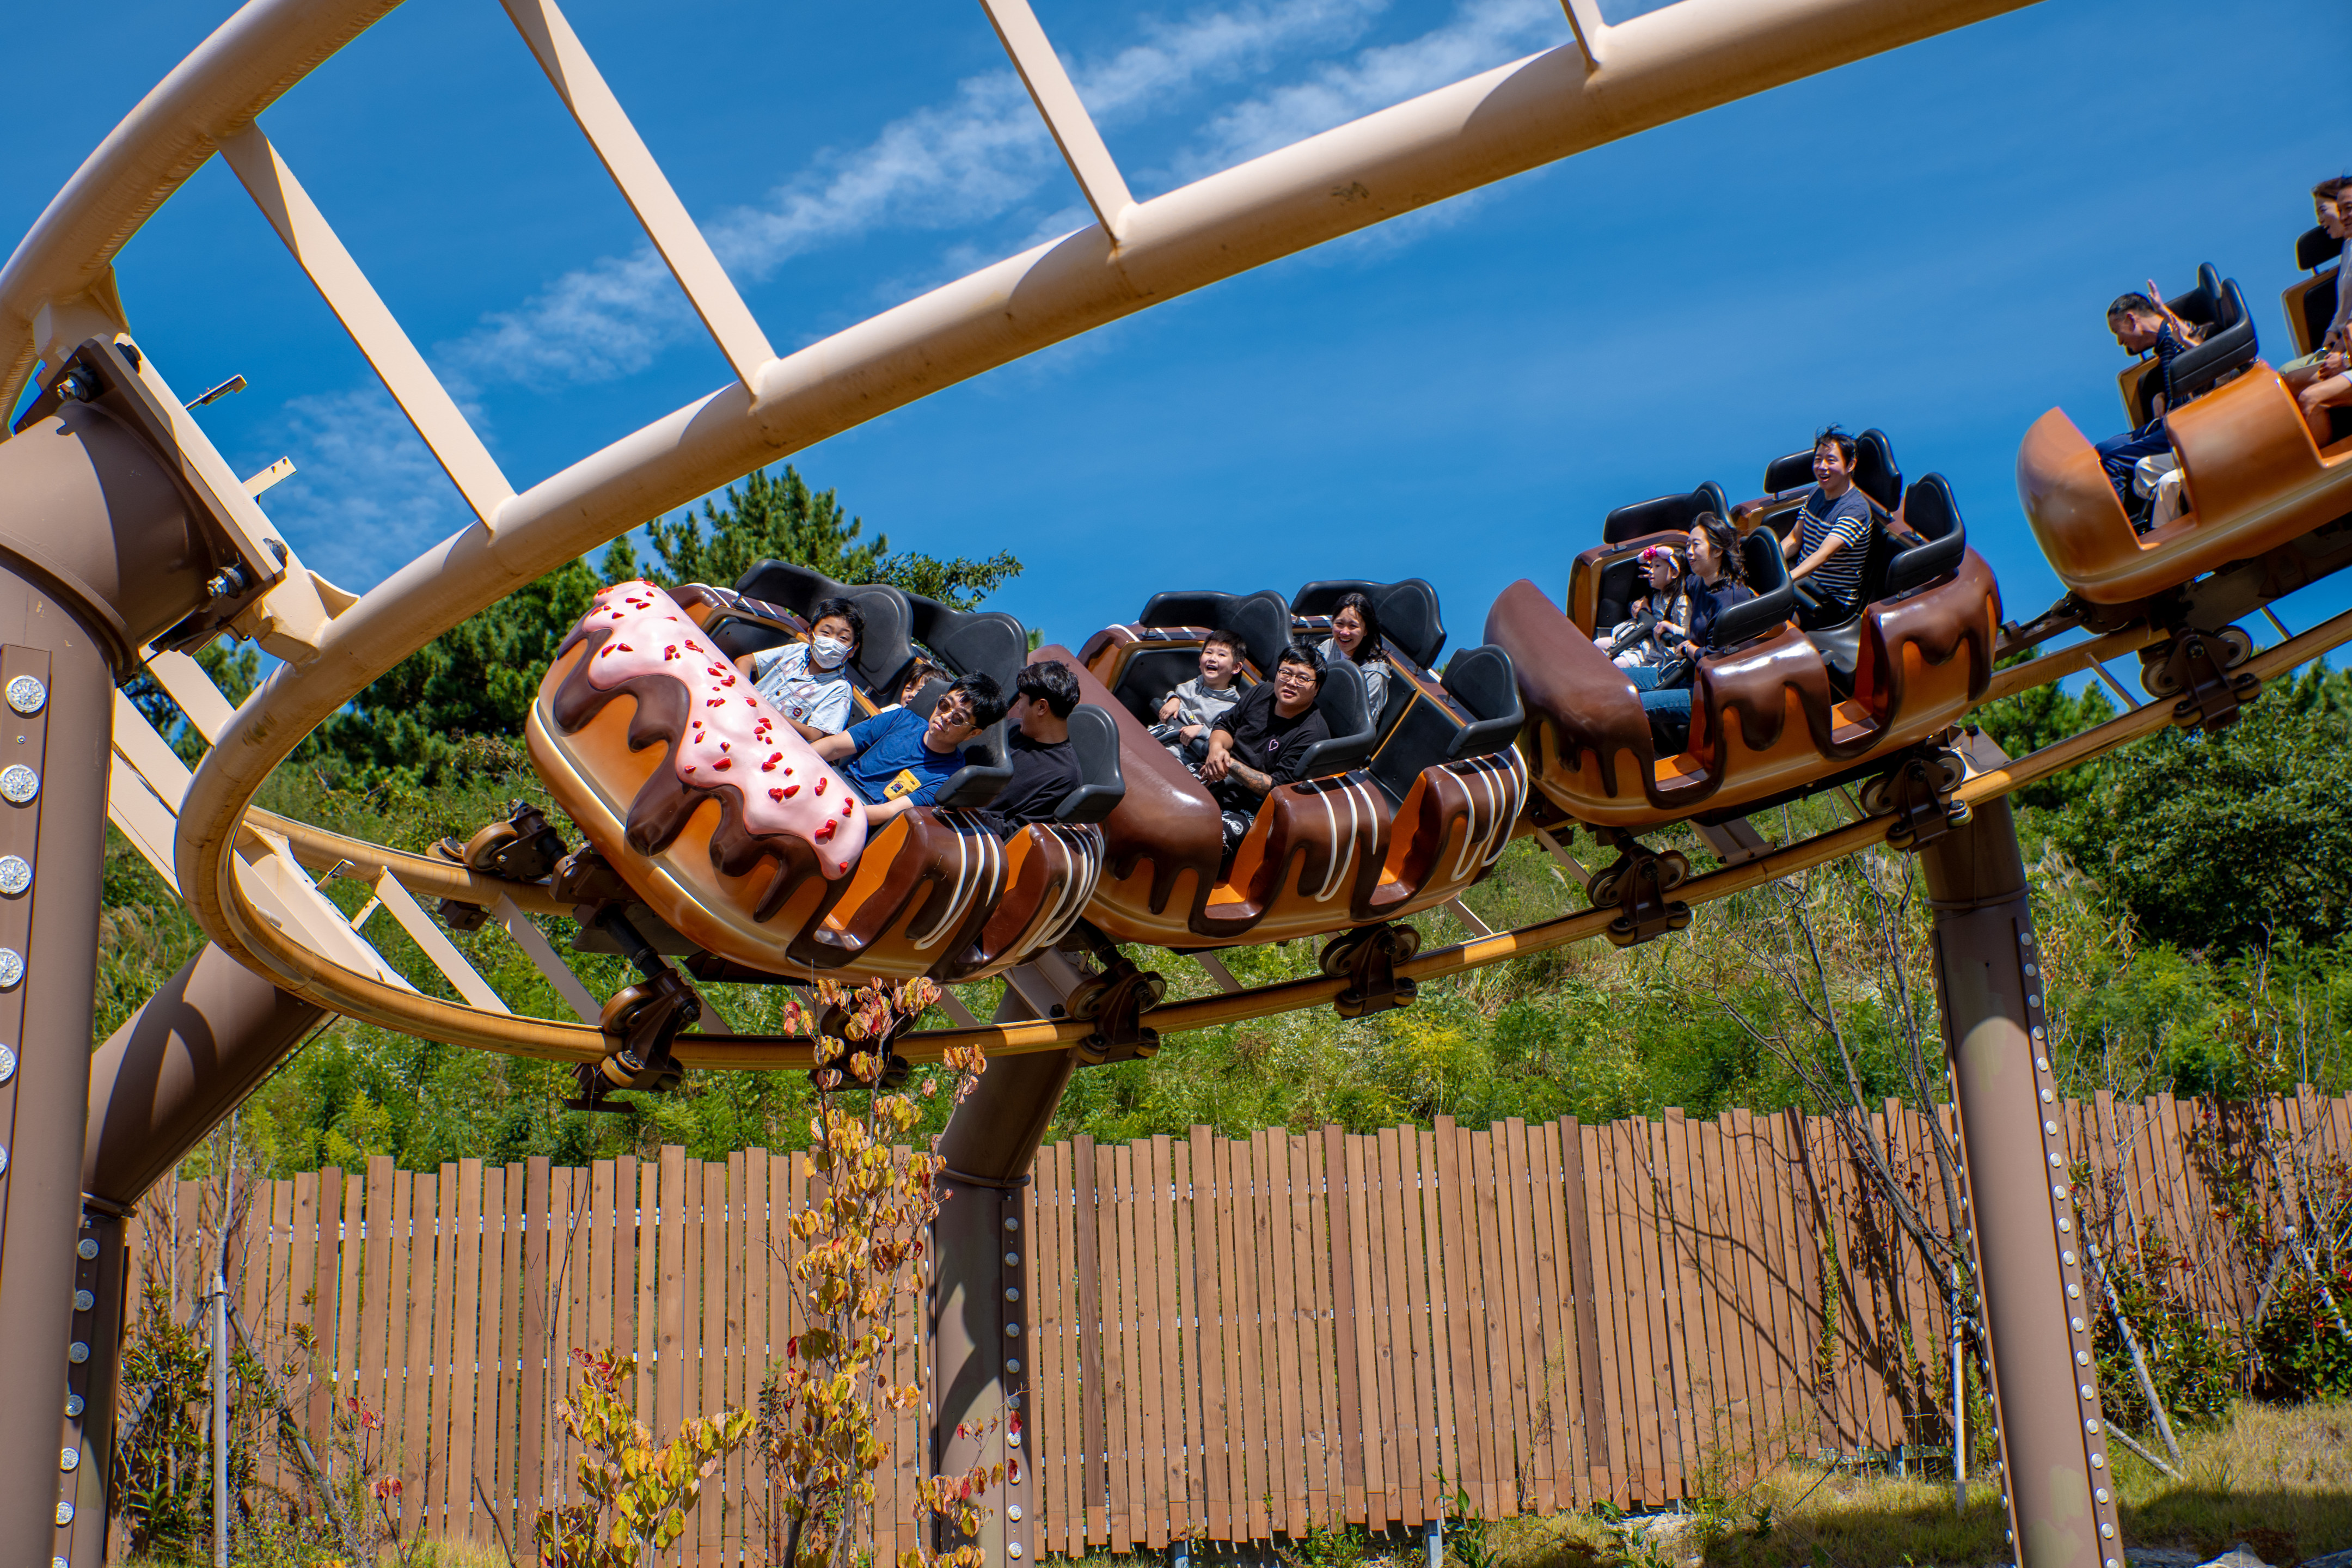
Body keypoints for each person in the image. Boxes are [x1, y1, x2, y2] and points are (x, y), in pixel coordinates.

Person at [1624, 513, 1755, 748]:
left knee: (1632, 707)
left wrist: (1689, 649)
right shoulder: (1699, 582)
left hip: (1710, 690)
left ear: (1717, 551)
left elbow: (1719, 659)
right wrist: (1646, 601)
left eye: (1696, 545)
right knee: (1615, 680)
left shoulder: (1730, 600)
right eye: (1688, 546)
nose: (1690, 553)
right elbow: (1672, 580)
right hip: (1687, 673)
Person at [812, 672, 1006, 828]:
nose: (945, 716)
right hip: (828, 789)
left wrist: (837, 813)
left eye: (958, 719)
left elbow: (888, 812)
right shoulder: (899, 719)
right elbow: (833, 747)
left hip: (857, 818)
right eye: (945, 705)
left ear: (973, 734)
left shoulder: (947, 779)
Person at [1731, 427, 1873, 629]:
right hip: (1801, 582)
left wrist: (1785, 581)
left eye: (1831, 461)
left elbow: (1824, 554)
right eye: (1818, 460)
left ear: (1850, 465)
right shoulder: (1817, 492)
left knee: (1763, 624)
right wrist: (1768, 566)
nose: (1822, 467)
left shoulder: (1855, 510)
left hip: (1829, 601)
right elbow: (1794, 539)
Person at [1199, 642, 1331, 854]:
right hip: (1217, 774)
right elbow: (1225, 725)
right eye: (1286, 673)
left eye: (1303, 678)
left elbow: (1277, 788)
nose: (1291, 682)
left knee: (1206, 839)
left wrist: (1229, 764)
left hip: (1252, 807)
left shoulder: (1313, 735)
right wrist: (1216, 750)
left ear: (1317, 688)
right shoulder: (1261, 692)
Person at [2096, 288, 2207, 528]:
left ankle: (2124, 532)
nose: (2120, 341)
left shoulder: (2177, 334)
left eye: (2117, 331)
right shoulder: (2164, 347)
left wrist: (2163, 310)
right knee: (2105, 448)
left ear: (2131, 319)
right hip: (2167, 423)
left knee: (2114, 462)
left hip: (2188, 425)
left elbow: (2202, 349)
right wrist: (2162, 394)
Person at [975, 661, 1086, 837]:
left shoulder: (1064, 778)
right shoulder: (1011, 728)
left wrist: (968, 809)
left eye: (1022, 699)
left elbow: (1017, 834)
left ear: (1042, 707)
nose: (1018, 706)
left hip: (977, 837)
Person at [2282, 176, 2352, 447]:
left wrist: (2343, 358)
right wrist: (2333, 340)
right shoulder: (2348, 248)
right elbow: (2346, 314)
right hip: (2346, 349)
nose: (2344, 217)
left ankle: (2331, 466)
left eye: (2348, 208)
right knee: (2284, 381)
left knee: (2310, 397)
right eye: (2342, 210)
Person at [733, 597, 862, 739]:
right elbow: (745, 661)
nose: (832, 642)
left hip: (772, 739)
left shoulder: (839, 690)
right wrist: (745, 694)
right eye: (826, 633)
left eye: (843, 638)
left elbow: (815, 734)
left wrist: (770, 713)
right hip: (743, 712)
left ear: (852, 649)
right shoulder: (797, 651)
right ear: (811, 635)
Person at [1152, 630, 1246, 763]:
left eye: (1221, 655)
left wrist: (1202, 731)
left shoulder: (1231, 708)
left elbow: (1226, 738)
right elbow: (1177, 694)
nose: (1212, 658)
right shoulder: (1192, 684)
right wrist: (1173, 699)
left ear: (1236, 667)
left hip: (1179, 759)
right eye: (1209, 652)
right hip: (1156, 738)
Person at [1595, 544, 1691, 669]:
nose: (1651, 571)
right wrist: (1642, 605)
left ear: (1674, 572)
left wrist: (1669, 627)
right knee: (1598, 644)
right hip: (1645, 642)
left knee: (1620, 663)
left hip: (1660, 653)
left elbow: (1689, 634)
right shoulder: (1657, 596)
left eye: (1657, 566)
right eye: (1651, 566)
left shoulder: (1681, 601)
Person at [1318, 591, 1393, 718]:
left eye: (1353, 626)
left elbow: (1360, 722)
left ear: (1366, 630)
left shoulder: (1374, 674)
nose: (1344, 632)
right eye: (1339, 624)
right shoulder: (1329, 646)